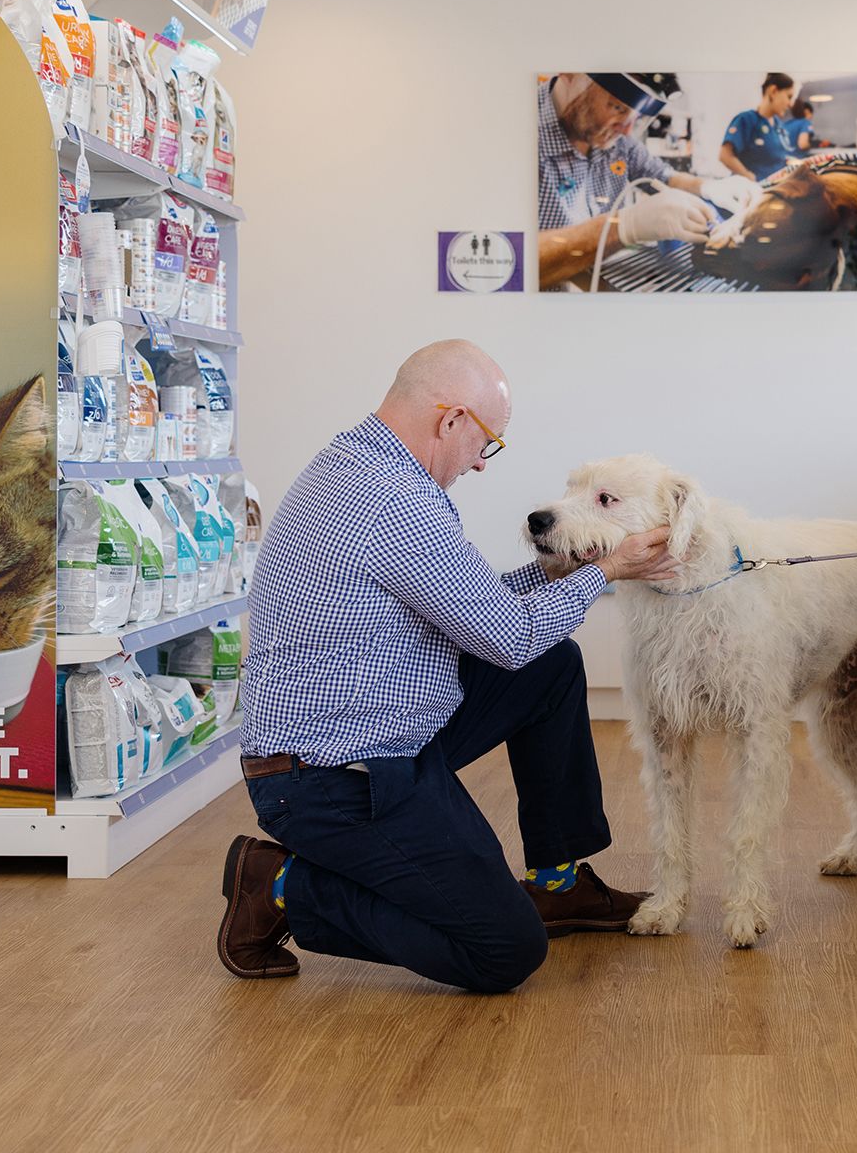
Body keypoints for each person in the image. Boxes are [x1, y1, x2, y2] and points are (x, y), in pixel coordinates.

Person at [216, 340, 681, 993]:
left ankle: (559, 882)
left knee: (552, 667)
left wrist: (557, 569)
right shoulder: (394, 501)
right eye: (486, 443)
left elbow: (466, 603)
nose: (481, 463)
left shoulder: (359, 465)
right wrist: (605, 570)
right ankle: (281, 885)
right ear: (452, 420)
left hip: (385, 731)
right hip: (332, 779)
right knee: (503, 950)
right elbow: (509, 637)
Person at [534, 72, 715, 287]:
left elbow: (663, 176)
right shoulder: (514, 131)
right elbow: (512, 261)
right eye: (618, 107)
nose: (627, 131)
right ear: (570, 73)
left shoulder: (617, 139)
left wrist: (710, 187)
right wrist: (624, 227)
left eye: (636, 116)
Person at [718, 73, 798, 182]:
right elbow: (725, 156)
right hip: (754, 190)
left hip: (777, 187)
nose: (790, 104)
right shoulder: (747, 119)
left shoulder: (779, 126)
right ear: (773, 91)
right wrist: (752, 179)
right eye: (789, 97)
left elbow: (780, 156)